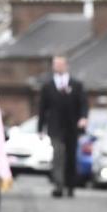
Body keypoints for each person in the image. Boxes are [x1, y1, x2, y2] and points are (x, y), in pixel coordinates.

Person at [37, 55, 88, 197]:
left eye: (60, 64)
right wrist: (40, 128)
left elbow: (83, 103)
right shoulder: (48, 86)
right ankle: (58, 185)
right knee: (58, 155)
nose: (57, 67)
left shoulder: (76, 85)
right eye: (55, 64)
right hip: (55, 127)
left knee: (71, 156)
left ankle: (70, 185)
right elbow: (42, 109)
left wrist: (83, 118)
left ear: (66, 66)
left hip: (72, 126)